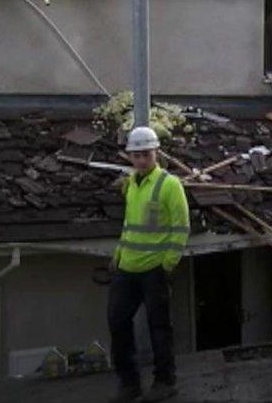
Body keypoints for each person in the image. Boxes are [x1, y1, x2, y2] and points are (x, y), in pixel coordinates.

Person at [108, 126, 189, 403]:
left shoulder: (169, 184)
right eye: (136, 155)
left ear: (156, 153)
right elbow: (130, 223)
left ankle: (165, 381)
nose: (141, 160)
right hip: (127, 268)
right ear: (130, 156)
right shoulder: (131, 183)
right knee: (117, 322)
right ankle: (129, 383)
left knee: (159, 327)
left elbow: (181, 227)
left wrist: (168, 263)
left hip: (154, 270)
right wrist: (118, 253)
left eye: (146, 154)